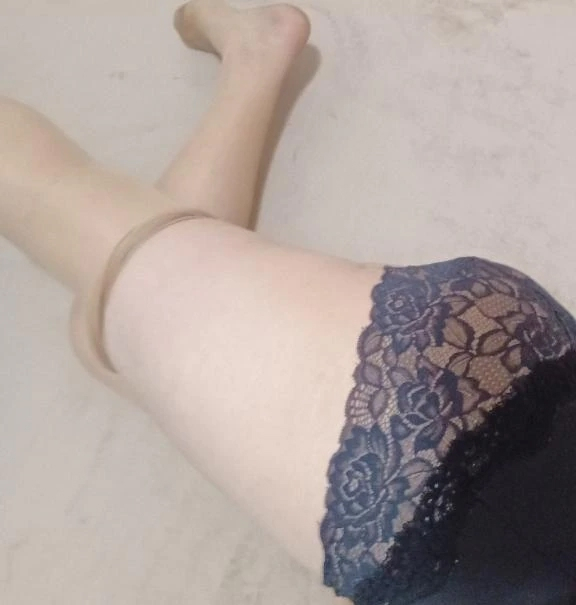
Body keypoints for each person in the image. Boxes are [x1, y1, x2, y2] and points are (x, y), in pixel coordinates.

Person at [2, 2, 576, 604]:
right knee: (87, 243)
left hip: (483, 426)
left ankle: (256, 56)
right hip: (451, 443)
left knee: (107, 324)